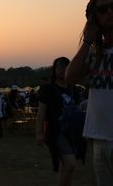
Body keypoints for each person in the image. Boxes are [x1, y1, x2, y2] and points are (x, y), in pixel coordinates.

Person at [65, 0, 113, 186]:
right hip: (100, 137)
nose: (110, 12)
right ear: (95, 18)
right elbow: (69, 78)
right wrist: (87, 40)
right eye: (103, 10)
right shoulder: (94, 53)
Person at [36, 57, 84, 186]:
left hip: (72, 132)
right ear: (55, 69)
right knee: (70, 164)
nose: (63, 70)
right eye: (60, 67)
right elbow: (41, 112)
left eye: (66, 67)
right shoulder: (48, 88)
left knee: (66, 168)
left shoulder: (73, 89)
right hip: (56, 132)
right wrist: (39, 133)